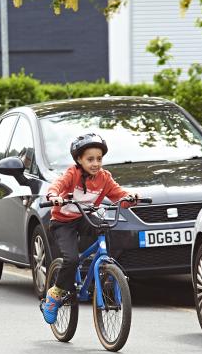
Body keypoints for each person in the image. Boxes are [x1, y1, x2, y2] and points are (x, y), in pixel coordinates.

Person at [41, 132, 138, 324]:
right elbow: (57, 185)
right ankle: (55, 295)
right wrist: (54, 196)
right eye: (90, 159)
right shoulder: (72, 173)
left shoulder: (104, 177)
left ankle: (106, 270)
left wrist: (131, 197)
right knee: (72, 259)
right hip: (63, 222)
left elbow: (118, 194)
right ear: (79, 160)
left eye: (99, 159)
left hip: (85, 218)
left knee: (104, 226)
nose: (95, 163)